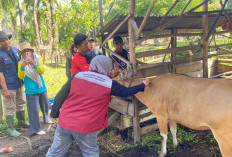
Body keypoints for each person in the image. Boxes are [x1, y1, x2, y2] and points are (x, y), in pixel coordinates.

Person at [46, 55, 150, 157]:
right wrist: (142, 85)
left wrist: (54, 113)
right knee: (90, 152)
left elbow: (61, 95)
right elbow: (127, 92)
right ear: (106, 67)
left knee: (55, 152)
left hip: (65, 122)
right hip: (85, 126)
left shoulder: (77, 76)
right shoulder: (109, 84)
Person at [18, 42, 52, 135]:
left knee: (45, 105)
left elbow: (42, 71)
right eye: (24, 52)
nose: (26, 53)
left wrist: (34, 65)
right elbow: (20, 77)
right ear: (22, 54)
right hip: (31, 90)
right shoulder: (20, 63)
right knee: (33, 110)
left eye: (28, 51)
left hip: (41, 87)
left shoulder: (37, 59)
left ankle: (46, 118)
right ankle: (36, 129)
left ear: (32, 52)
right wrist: (23, 67)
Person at [0, 31, 28, 137]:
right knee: (10, 107)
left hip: (19, 83)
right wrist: (5, 89)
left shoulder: (16, 50)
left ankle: (22, 122)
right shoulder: (0, 55)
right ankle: (11, 129)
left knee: (21, 103)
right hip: (8, 85)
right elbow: (0, 74)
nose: (6, 42)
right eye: (3, 41)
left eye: (7, 39)